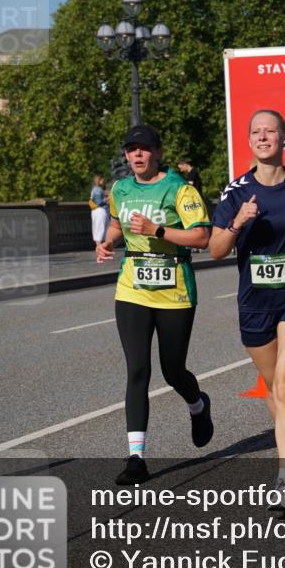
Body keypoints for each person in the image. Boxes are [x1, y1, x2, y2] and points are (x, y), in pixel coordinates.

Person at [210, 109, 285, 510]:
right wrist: (238, 222)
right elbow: (215, 249)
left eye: (270, 131)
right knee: (274, 390)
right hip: (255, 303)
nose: (263, 137)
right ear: (249, 141)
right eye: (255, 132)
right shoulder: (235, 193)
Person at [96, 125, 213, 485]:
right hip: (132, 288)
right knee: (137, 371)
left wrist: (158, 231)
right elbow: (117, 225)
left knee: (172, 370)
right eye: (131, 149)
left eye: (144, 149)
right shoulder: (120, 189)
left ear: (158, 153)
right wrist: (108, 243)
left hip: (174, 288)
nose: (137, 155)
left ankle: (198, 404)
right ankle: (136, 458)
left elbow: (202, 237)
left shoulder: (180, 188)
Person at [90, 173, 110, 244]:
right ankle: (100, 247)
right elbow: (99, 202)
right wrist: (108, 198)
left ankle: (99, 247)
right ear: (99, 180)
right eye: (102, 179)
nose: (104, 181)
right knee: (101, 229)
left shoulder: (94, 189)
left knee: (98, 229)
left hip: (96, 211)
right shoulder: (98, 190)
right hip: (100, 211)